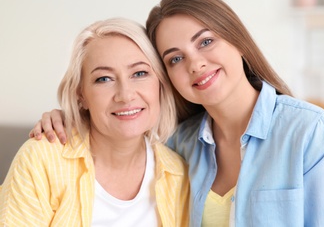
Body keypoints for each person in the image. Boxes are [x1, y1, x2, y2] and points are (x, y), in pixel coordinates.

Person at [30, 0, 324, 226]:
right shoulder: (179, 146)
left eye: (205, 41)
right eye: (175, 58)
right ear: (166, 76)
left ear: (237, 40)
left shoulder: (311, 133)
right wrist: (69, 117)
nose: (195, 64)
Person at [0, 17, 189, 226]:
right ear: (81, 95)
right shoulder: (41, 159)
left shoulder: (179, 174)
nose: (125, 95)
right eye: (104, 79)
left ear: (160, 84)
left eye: (140, 73)